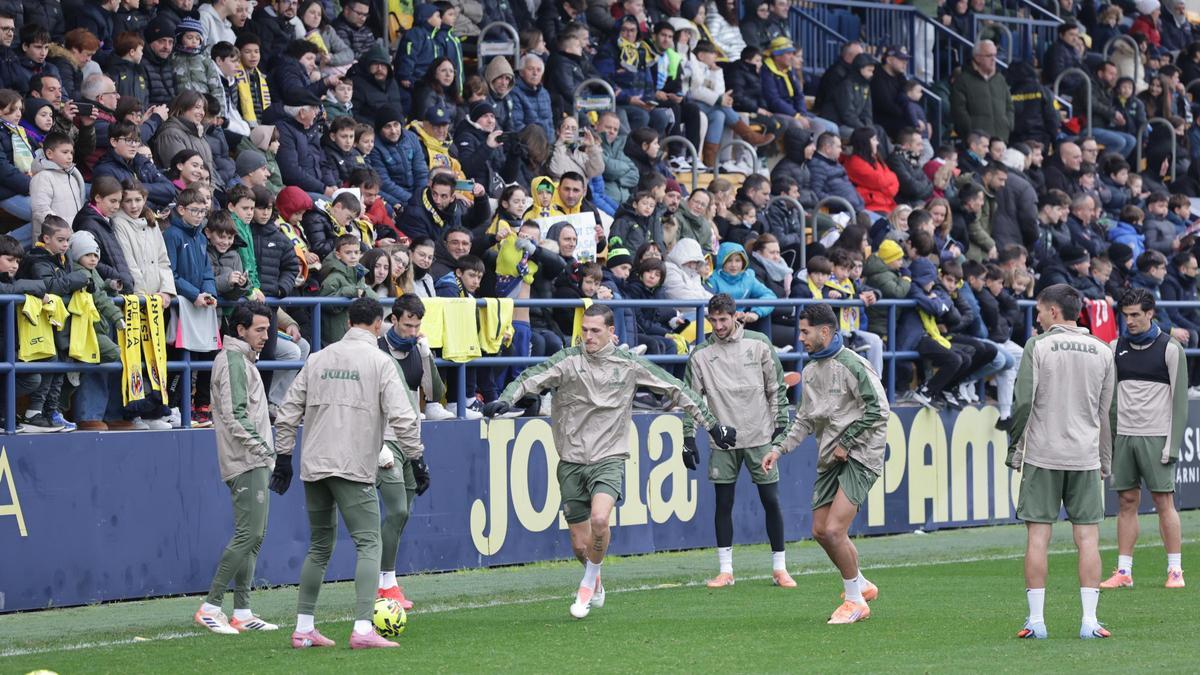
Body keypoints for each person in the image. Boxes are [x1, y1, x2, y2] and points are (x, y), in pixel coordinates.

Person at [481, 304, 734, 619]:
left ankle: (587, 585)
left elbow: (677, 389)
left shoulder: (629, 364)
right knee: (579, 546)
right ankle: (595, 577)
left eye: (595, 331)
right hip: (571, 460)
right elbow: (530, 378)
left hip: (609, 457)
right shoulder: (567, 361)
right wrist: (505, 399)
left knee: (600, 520)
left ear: (611, 332)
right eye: (584, 330)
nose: (588, 336)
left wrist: (712, 425)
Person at [763, 303, 888, 624]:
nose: (800, 337)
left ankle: (855, 601)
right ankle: (861, 584)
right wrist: (778, 449)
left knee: (834, 529)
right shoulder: (810, 371)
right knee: (820, 531)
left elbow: (879, 409)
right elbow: (804, 420)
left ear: (825, 331)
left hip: (861, 454)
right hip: (832, 455)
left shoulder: (853, 364)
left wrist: (849, 441)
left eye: (805, 332)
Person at [1006, 283, 1115, 640]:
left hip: (1043, 454)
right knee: (1088, 539)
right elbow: (1107, 411)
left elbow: (1023, 402)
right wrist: (1104, 458)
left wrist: (1015, 449)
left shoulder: (1038, 346)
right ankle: (1090, 621)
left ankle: (1036, 622)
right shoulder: (1102, 350)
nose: (1037, 318)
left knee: (1038, 537)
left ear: (1053, 311)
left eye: (1039, 311)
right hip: (1085, 456)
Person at [685, 293, 792, 588]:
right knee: (723, 503)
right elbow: (691, 400)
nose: (718, 325)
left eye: (723, 319)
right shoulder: (700, 354)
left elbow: (776, 387)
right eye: (713, 320)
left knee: (771, 500)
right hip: (723, 441)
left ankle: (780, 568)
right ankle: (726, 571)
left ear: (736, 317)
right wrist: (687, 438)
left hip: (760, 436)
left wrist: (780, 425)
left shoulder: (759, 343)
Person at [193, 301, 280, 635]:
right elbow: (234, 414)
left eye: (267, 329)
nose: (266, 336)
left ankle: (242, 611)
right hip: (246, 460)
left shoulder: (242, 360)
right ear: (240, 330)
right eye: (260, 329)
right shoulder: (232, 360)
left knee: (255, 537)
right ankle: (211, 607)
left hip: (253, 459)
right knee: (249, 534)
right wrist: (265, 450)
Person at [1099, 289, 1187, 591]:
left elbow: (1180, 402)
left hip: (1156, 436)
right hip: (1125, 436)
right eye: (1125, 315)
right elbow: (1109, 398)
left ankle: (1175, 570)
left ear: (1150, 314)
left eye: (1135, 314)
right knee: (1126, 502)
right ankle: (1124, 570)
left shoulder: (1170, 348)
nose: (1130, 320)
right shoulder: (1115, 347)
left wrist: (1172, 445)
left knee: (1164, 501)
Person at [374, 294, 436, 612]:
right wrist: (377, 444)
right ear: (394, 319)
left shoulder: (416, 349)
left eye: (416, 326)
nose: (412, 331)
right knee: (397, 510)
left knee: (404, 513)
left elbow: (434, 392)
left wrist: (425, 353)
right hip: (384, 439)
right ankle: (383, 582)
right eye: (407, 325)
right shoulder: (377, 349)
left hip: (411, 439)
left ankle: (387, 580)